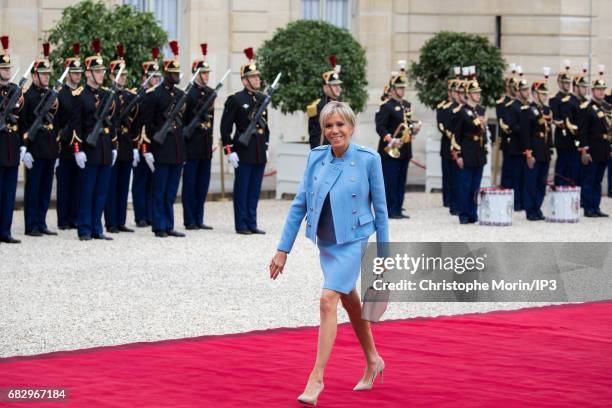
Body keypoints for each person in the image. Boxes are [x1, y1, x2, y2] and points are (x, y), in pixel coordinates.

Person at [270, 101, 388, 405]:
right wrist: (283, 250)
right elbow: (299, 204)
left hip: (354, 240)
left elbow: (382, 211)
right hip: (327, 242)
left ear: (351, 126)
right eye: (329, 126)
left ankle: (316, 378)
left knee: (327, 300)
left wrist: (384, 256)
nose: (335, 131)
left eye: (340, 125)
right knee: (349, 300)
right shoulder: (316, 158)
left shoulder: (368, 159)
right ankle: (374, 360)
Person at [138, 40, 186, 238]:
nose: (176, 77)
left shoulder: (180, 95)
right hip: (161, 147)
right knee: (159, 190)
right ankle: (159, 225)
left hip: (176, 147)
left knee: (171, 191)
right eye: (173, 74)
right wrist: (147, 149)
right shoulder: (154, 95)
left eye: (177, 74)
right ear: (166, 74)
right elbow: (146, 123)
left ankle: (169, 224)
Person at [72, 39, 117, 241]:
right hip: (88, 148)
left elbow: (113, 123)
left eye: (102, 71)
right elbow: (75, 125)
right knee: (87, 191)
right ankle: (84, 228)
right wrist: (77, 149)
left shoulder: (108, 95)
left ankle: (97, 228)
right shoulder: (80, 95)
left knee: (101, 192)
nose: (101, 75)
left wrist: (114, 146)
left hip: (105, 148)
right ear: (88, 73)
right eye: (97, 71)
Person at [220, 47, 269, 235]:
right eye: (253, 77)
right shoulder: (235, 100)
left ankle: (251, 222)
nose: (258, 79)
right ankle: (241, 224)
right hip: (243, 149)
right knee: (242, 189)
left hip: (257, 150)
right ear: (244, 80)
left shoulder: (263, 98)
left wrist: (265, 145)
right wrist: (229, 151)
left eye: (258, 76)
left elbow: (266, 127)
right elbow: (225, 128)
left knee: (255, 189)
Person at [19, 43, 59, 237]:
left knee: (45, 189)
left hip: (50, 147)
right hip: (35, 148)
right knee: (33, 188)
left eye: (47, 74)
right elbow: (24, 124)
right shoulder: (28, 96)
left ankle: (41, 222)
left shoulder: (50, 94)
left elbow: (57, 121)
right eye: (42, 74)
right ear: (34, 76)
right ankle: (31, 225)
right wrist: (25, 149)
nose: (46, 77)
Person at [375, 60, 420, 219]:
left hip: (405, 148)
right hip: (391, 149)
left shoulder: (406, 105)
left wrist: (414, 128)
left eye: (403, 88)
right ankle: (390, 209)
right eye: (399, 88)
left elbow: (408, 123)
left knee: (401, 180)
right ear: (393, 89)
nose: (402, 90)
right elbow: (380, 126)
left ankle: (399, 208)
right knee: (391, 180)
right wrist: (389, 139)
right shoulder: (386, 106)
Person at [182, 43, 215, 230]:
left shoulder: (210, 93)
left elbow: (211, 121)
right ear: (196, 73)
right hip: (192, 145)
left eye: (208, 73)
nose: (206, 76)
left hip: (204, 145)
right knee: (190, 184)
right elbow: (184, 121)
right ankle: (189, 219)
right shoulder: (188, 93)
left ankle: (199, 218)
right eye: (203, 73)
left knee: (202, 184)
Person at [104, 44, 135, 233]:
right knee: (112, 185)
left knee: (124, 185)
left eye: (124, 75)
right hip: (112, 142)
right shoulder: (107, 96)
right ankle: (111, 222)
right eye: (119, 75)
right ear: (111, 76)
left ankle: (121, 220)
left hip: (127, 143)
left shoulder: (130, 96)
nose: (122, 78)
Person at [452, 71, 488, 224]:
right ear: (468, 94)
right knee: (465, 184)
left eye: (478, 93)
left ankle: (473, 213)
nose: (477, 95)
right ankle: (463, 213)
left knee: (475, 185)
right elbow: (456, 135)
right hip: (466, 150)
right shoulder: (462, 112)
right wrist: (458, 154)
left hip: (478, 151)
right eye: (474, 93)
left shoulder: (480, 111)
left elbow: (483, 132)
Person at [519, 69, 554, 221]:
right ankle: (530, 210)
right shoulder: (528, 110)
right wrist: (528, 153)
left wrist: (551, 149)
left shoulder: (547, 110)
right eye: (542, 94)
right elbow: (525, 134)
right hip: (533, 149)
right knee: (530, 182)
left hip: (544, 151)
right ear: (535, 94)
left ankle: (537, 208)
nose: (545, 96)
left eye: (546, 94)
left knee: (541, 182)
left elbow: (549, 132)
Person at [132, 47, 161, 228]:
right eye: (151, 76)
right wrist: (140, 147)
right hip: (141, 142)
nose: (155, 79)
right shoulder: (138, 94)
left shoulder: (159, 94)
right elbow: (137, 122)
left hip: (156, 142)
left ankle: (151, 214)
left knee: (154, 182)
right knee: (140, 181)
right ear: (144, 78)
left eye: (157, 76)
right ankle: (140, 216)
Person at [56, 42, 83, 230]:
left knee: (78, 184)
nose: (78, 75)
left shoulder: (82, 93)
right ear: (68, 73)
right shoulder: (60, 94)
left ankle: (74, 217)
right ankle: (63, 219)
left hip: (79, 144)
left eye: (80, 72)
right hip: (65, 144)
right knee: (64, 184)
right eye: (74, 73)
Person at [577, 66, 610, 217]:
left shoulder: (605, 108)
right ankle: (588, 208)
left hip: (603, 149)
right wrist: (584, 151)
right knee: (589, 180)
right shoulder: (586, 108)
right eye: (598, 89)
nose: (601, 92)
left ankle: (596, 207)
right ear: (593, 91)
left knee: (598, 180)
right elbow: (582, 132)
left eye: (603, 89)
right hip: (592, 149)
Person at [0, 35, 22, 243]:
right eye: (4, 68)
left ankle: (5, 231)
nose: (7, 71)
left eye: (8, 69)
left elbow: (21, 120)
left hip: (11, 148)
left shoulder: (15, 90)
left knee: (9, 194)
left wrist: (22, 145)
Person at [550, 61, 577, 186]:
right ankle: (559, 188)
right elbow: (556, 118)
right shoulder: (555, 99)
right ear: (559, 83)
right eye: (565, 82)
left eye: (569, 82)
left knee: (573, 167)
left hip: (574, 138)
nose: (567, 85)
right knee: (562, 165)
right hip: (563, 137)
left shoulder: (573, 98)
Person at [436, 67, 460, 210]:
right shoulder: (444, 107)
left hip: (458, 144)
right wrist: (453, 135)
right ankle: (448, 199)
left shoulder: (462, 107)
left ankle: (455, 199)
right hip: (448, 144)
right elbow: (442, 125)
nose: (457, 94)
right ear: (450, 92)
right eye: (455, 91)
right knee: (448, 174)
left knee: (457, 174)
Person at [307, 55, 342, 149]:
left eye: (339, 85)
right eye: (334, 85)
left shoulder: (342, 106)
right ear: (326, 88)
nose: (338, 88)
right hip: (325, 153)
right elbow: (314, 136)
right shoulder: (317, 107)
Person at [496, 63, 517, 190]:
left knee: (517, 169)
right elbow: (503, 122)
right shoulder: (502, 103)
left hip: (520, 141)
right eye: (513, 87)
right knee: (508, 167)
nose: (516, 89)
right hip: (509, 139)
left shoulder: (519, 102)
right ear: (507, 88)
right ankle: (506, 190)